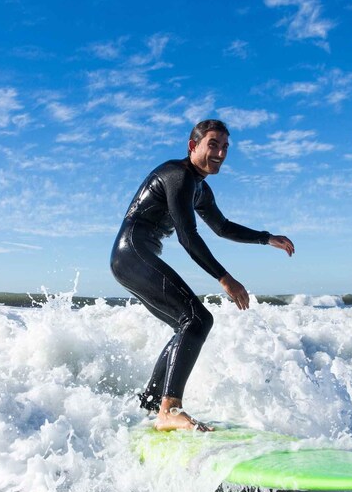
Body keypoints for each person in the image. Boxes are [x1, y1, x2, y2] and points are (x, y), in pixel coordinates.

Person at [110, 120, 295, 432]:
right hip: (132, 252)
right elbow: (187, 235)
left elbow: (222, 227)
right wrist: (224, 278)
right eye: (213, 144)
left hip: (133, 257)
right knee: (198, 320)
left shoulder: (199, 188)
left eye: (224, 147)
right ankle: (170, 409)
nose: (220, 152)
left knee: (185, 325)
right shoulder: (177, 175)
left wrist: (266, 237)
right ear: (192, 146)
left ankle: (152, 404)